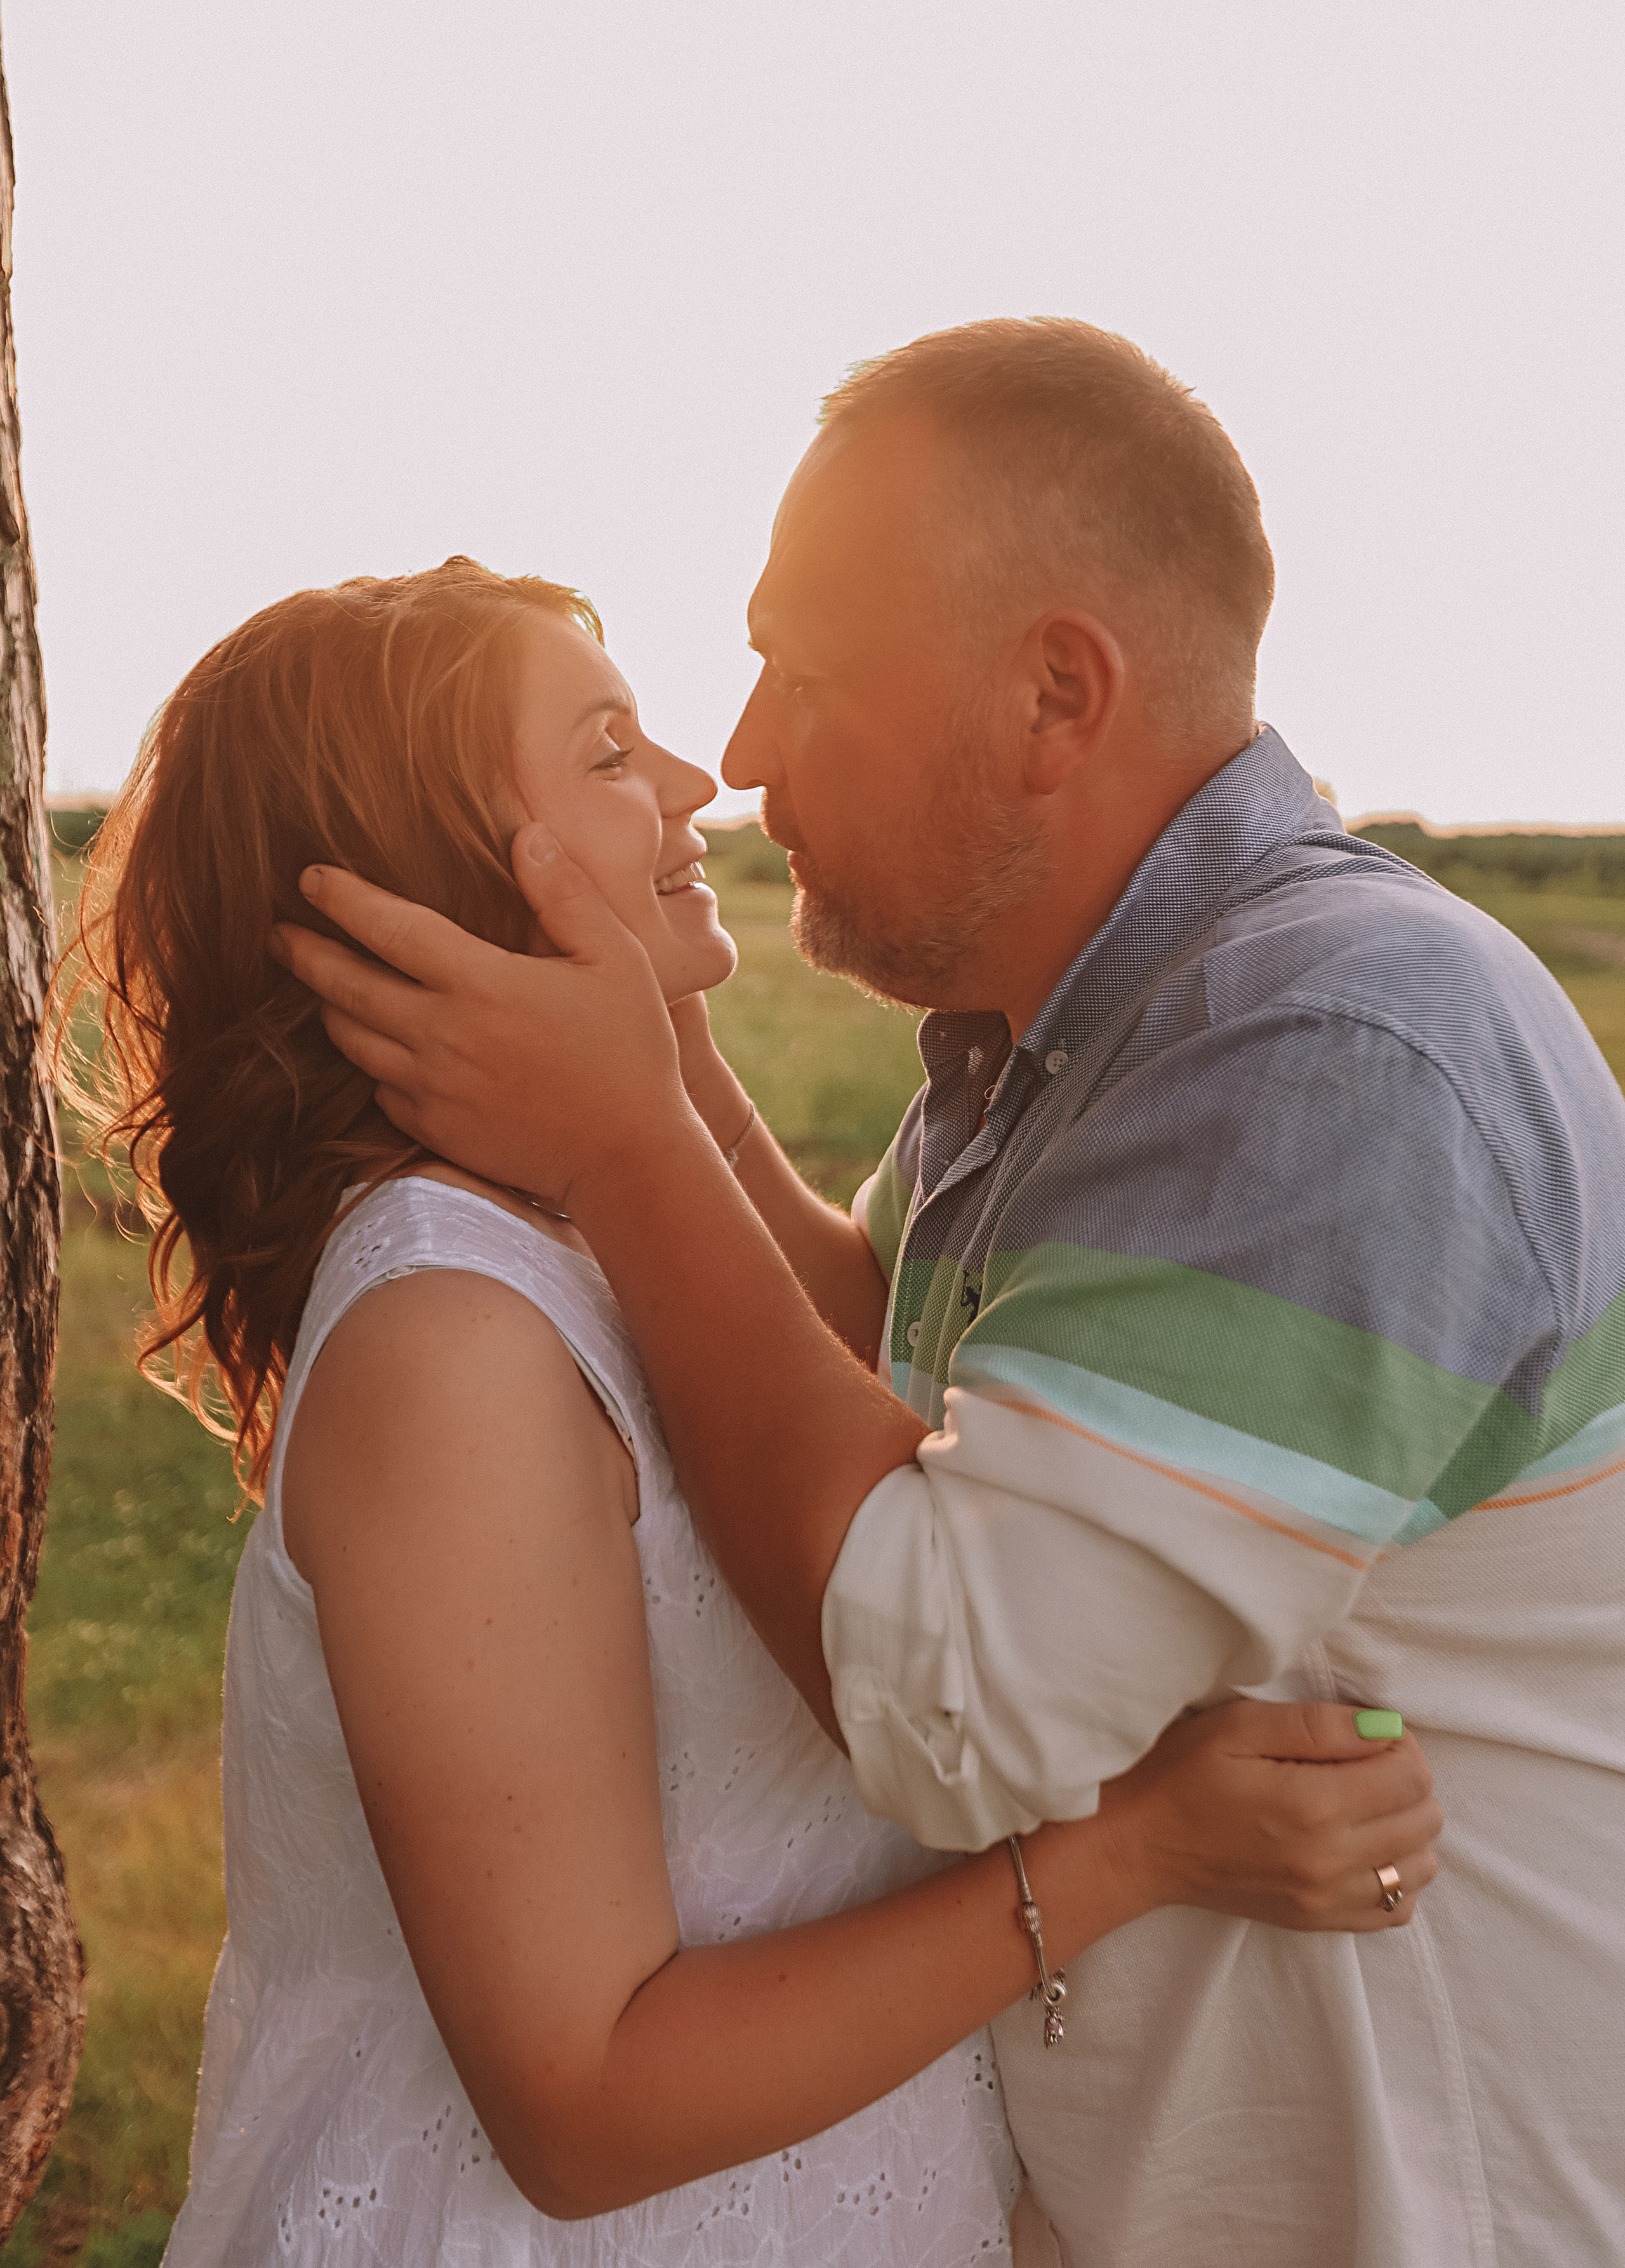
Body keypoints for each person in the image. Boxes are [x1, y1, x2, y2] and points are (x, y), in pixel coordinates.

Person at [284, 321, 1625, 2268]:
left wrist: (630, 1149)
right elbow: (872, 1348)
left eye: (802, 675)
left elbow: (945, 1700)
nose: (734, 755)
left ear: (1054, 697)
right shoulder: (1089, 1042)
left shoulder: (1332, 1057)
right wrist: (650, 1074)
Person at [62, 558, 1436, 2267]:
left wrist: (653, 1052)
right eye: (613, 749)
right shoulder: (454, 1338)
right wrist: (1136, 1851)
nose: (701, 781)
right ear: (447, 876)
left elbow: (875, 1355)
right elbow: (582, 2104)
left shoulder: (602, 1223)